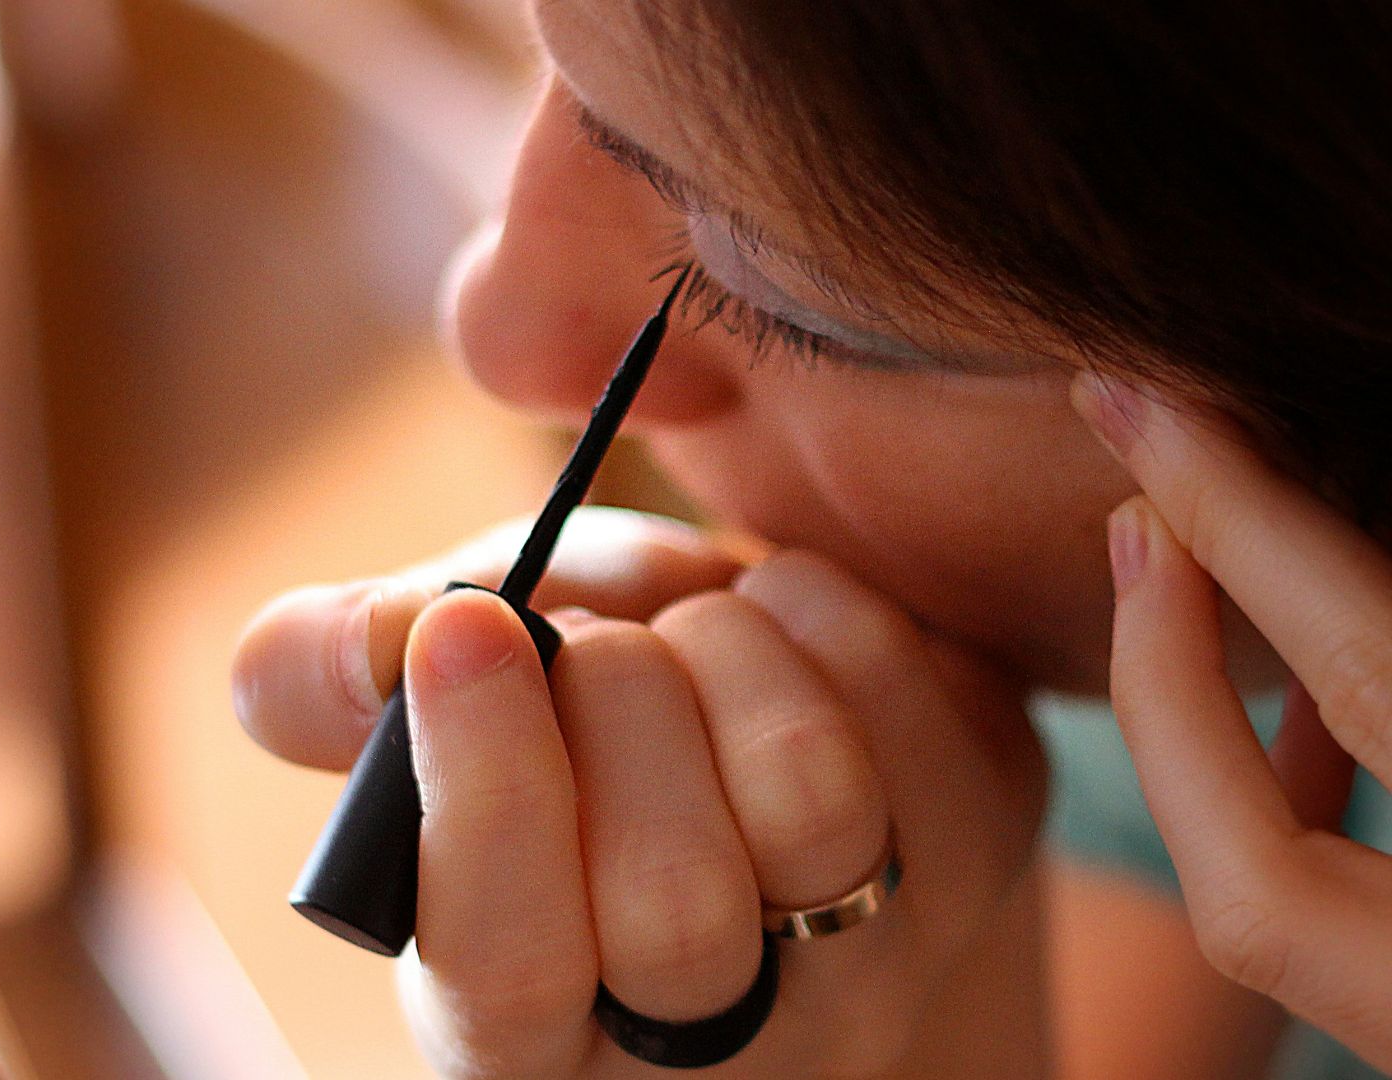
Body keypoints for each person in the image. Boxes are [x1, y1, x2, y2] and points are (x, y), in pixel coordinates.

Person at [232, 1, 1392, 1076]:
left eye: (773, 298)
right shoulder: (1184, 654)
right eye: (547, 51)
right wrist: (917, 1006)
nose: (492, 329)